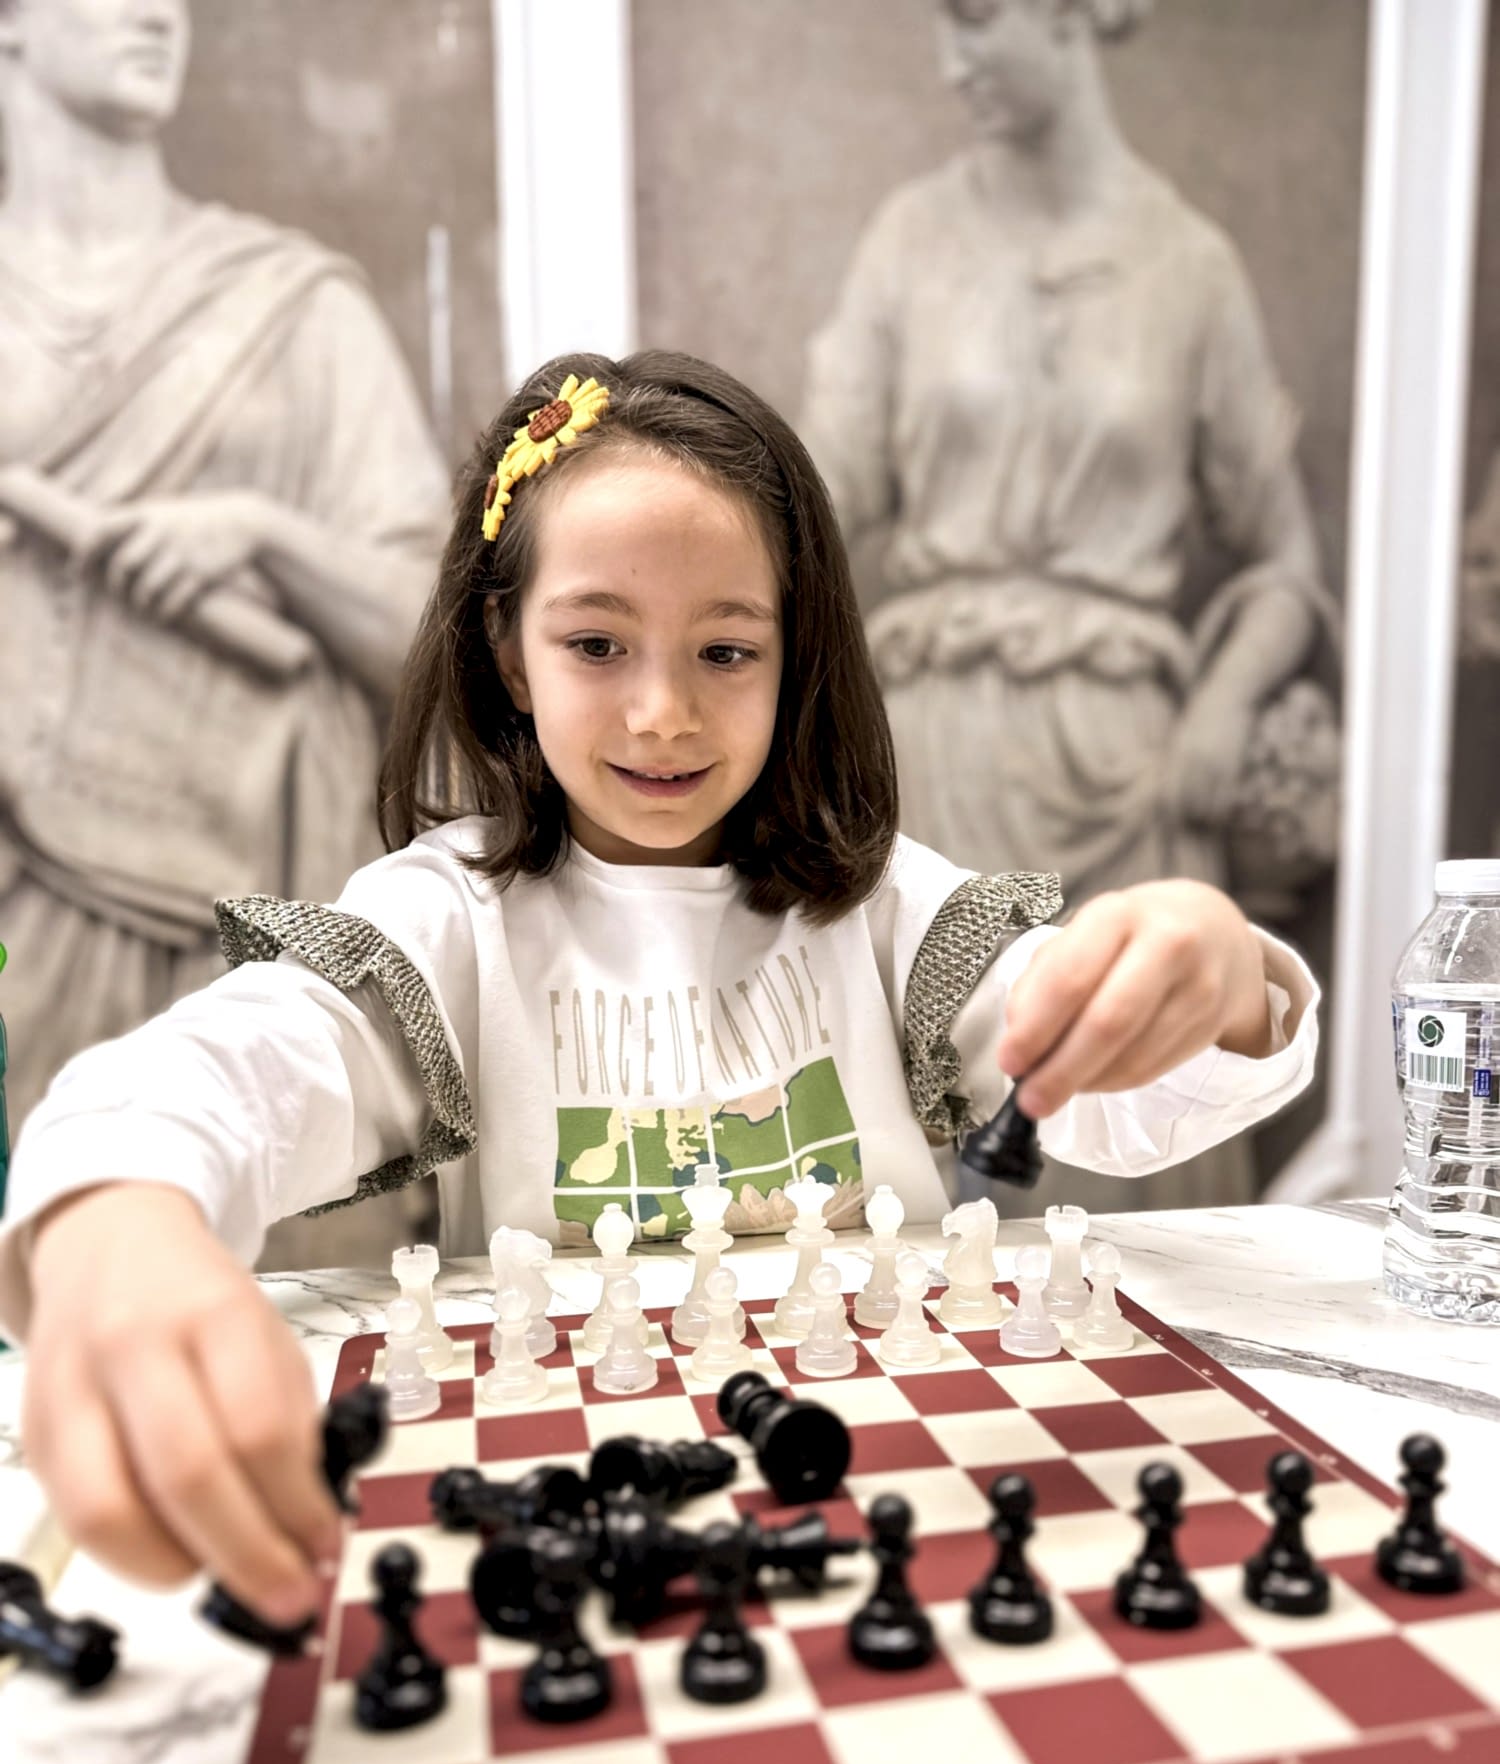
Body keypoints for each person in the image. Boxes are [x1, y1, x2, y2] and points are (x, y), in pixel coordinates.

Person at [0, 349, 1318, 1636]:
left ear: (796, 654)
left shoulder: (886, 913)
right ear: (509, 652)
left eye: (726, 651)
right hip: (573, 1519)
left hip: (893, 1490)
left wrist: (1216, 978)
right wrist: (116, 1216)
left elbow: (1129, 1106)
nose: (662, 713)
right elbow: (226, 1072)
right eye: (596, 643)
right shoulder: (445, 922)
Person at [800, 0, 1336, 1212]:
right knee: (926, 1152)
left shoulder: (1189, 267)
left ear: (1069, 14)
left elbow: (1285, 561)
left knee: (1126, 1139)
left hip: (1124, 771)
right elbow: (813, 503)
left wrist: (1224, 702)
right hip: (933, 755)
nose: (952, 62)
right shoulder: (910, 242)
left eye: (975, 18)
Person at [0, 0, 450, 1135]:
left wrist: (261, 533)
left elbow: (436, 643)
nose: (157, 12)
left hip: (254, 912)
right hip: (18, 913)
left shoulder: (296, 308)